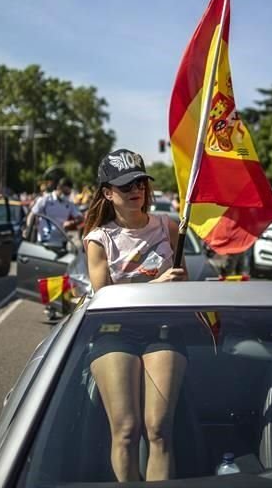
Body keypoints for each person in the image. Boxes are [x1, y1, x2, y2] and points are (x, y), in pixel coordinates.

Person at [83, 149, 188, 481]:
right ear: (107, 193)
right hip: (115, 333)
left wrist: (183, 282)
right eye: (125, 185)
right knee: (126, 431)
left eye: (140, 182)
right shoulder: (99, 240)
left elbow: (183, 286)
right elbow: (105, 298)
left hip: (163, 331)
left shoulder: (168, 227)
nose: (135, 190)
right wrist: (157, 282)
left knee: (158, 429)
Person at [27, 177, 83, 245]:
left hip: (61, 241)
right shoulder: (46, 199)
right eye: (65, 193)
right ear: (59, 188)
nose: (66, 196)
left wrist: (71, 222)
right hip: (45, 241)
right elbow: (32, 214)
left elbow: (80, 218)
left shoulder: (69, 203)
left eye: (68, 194)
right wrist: (28, 230)